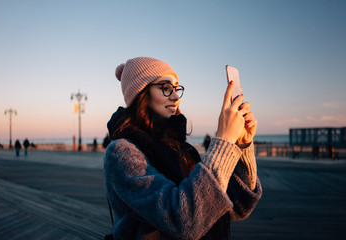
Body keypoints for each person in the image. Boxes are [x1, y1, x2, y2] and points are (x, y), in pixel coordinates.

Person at [103, 57, 262, 239]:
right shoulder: (122, 152)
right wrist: (223, 140)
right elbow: (184, 221)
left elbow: (235, 207)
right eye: (165, 88)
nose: (176, 96)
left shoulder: (180, 148)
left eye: (176, 88)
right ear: (141, 94)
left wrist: (241, 144)